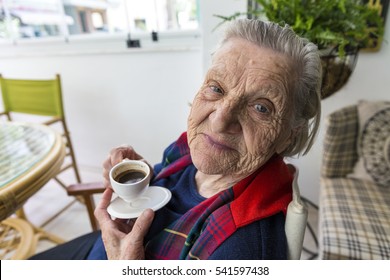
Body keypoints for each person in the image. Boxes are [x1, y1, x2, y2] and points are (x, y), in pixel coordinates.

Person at [30, 18, 321, 260]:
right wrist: (142, 181)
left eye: (261, 107)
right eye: (217, 88)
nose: (220, 119)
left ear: (288, 136)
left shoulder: (239, 249)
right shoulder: (190, 150)